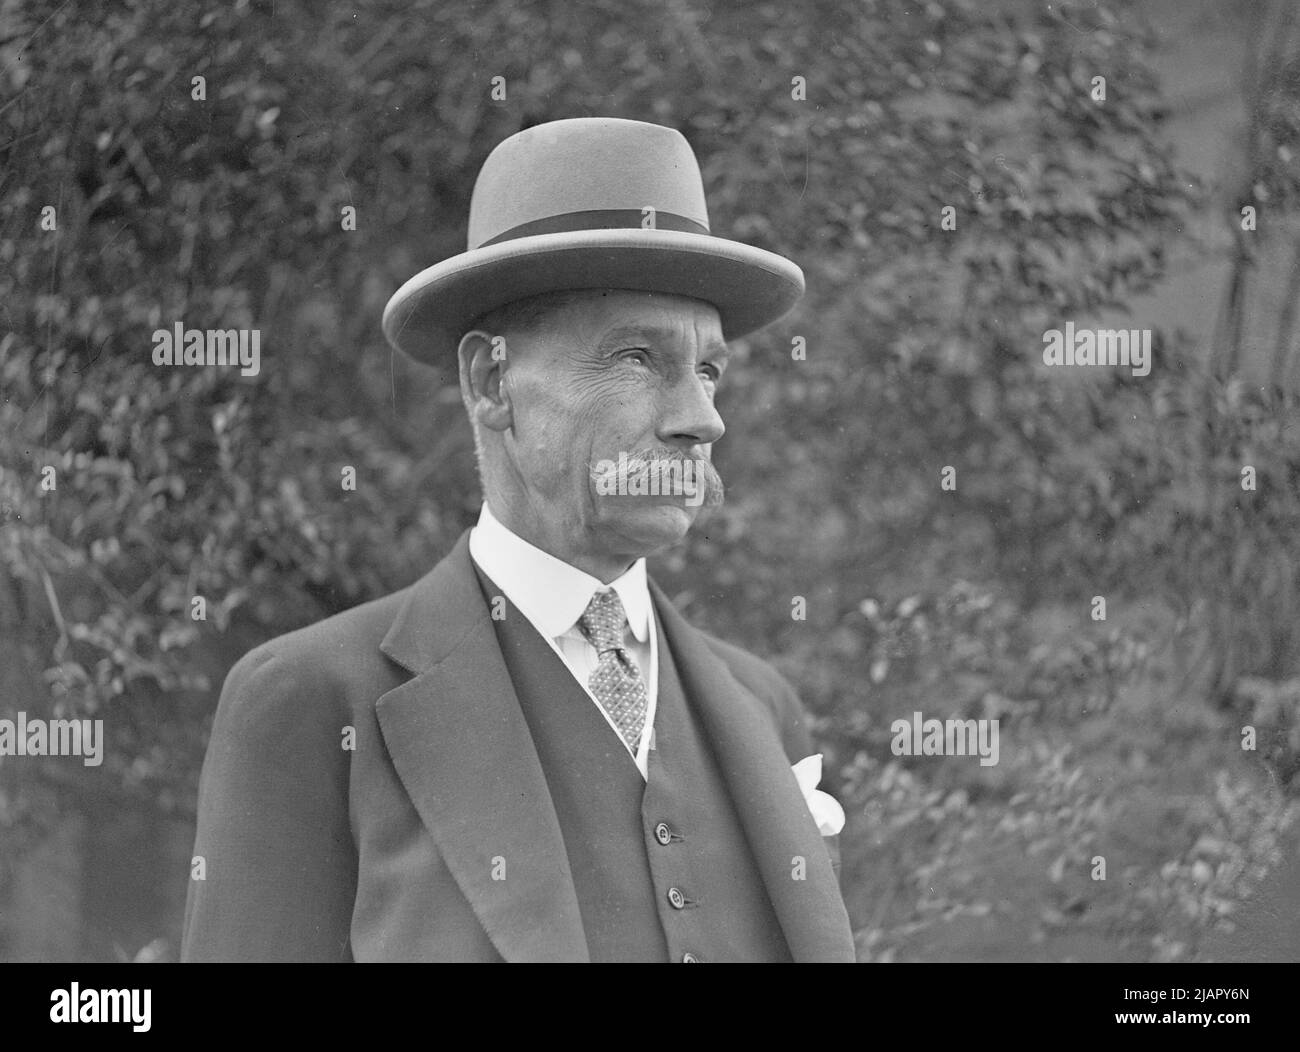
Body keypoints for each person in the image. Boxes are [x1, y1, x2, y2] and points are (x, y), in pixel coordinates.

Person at [181, 117, 855, 962]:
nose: (702, 419)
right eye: (639, 358)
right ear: (492, 379)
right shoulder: (312, 704)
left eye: (710, 370)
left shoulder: (764, 709)